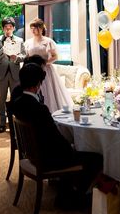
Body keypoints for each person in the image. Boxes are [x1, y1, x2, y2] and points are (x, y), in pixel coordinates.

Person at [11, 63, 102, 204]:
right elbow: (55, 139)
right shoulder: (40, 109)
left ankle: (65, 189)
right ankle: (75, 196)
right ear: (37, 84)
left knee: (70, 148)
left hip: (32, 155)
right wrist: (71, 148)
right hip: (46, 159)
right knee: (97, 158)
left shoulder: (17, 103)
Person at [24, 18, 72, 114]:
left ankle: (50, 113)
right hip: (32, 70)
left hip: (45, 70)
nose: (33, 30)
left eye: (35, 28)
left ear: (41, 29)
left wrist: (44, 63)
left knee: (48, 92)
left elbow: (55, 57)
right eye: (32, 28)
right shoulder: (28, 42)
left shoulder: (48, 41)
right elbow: (26, 56)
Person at [0, 17, 25, 133]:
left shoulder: (19, 40)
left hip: (15, 74)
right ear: (3, 28)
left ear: (14, 28)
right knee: (1, 100)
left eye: (10, 27)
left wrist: (17, 58)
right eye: (6, 27)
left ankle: (16, 125)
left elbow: (24, 55)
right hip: (2, 74)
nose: (8, 29)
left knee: (16, 99)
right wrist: (4, 47)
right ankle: (1, 124)